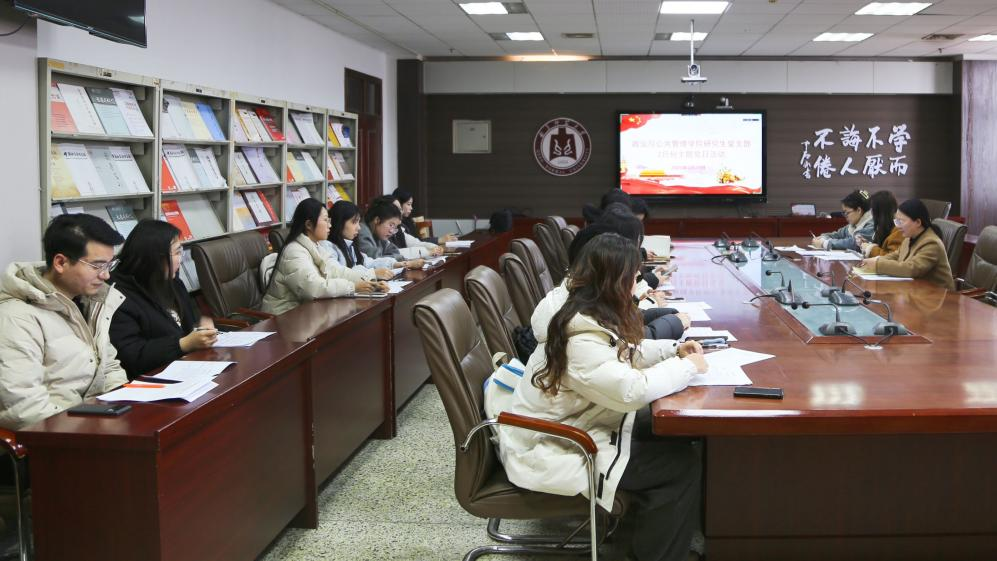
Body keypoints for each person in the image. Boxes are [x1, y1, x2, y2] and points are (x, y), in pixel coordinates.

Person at [496, 233, 706, 561]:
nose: (637, 284)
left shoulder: (582, 311)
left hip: (575, 424)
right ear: (614, 283)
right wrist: (688, 367)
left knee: (675, 432)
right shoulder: (579, 338)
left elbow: (621, 354)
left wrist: (672, 350)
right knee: (679, 465)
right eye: (633, 277)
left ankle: (666, 537)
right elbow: (630, 391)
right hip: (554, 446)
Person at [0, 214, 127, 430]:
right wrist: (90, 427)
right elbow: (24, 409)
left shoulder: (88, 302)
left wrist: (127, 404)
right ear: (60, 262)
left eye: (109, 265)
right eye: (97, 266)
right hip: (58, 436)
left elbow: (109, 367)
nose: (106, 275)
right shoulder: (16, 318)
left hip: (94, 422)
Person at [109, 220, 218, 380]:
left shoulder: (172, 282)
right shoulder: (119, 296)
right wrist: (183, 344)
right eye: (177, 252)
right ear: (153, 257)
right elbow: (132, 356)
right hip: (151, 380)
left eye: (181, 251)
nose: (181, 259)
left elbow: (186, 325)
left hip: (188, 368)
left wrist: (201, 327)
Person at [570, 219, 689, 341]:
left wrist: (669, 317)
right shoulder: (589, 325)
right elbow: (634, 342)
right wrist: (670, 320)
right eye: (634, 275)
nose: (638, 274)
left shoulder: (589, 300)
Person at [262, 199, 387, 315]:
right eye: (326, 220)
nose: (330, 225)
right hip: (284, 317)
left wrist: (369, 280)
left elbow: (337, 271)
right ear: (309, 224)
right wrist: (352, 287)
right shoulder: (294, 252)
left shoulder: (317, 246)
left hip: (306, 312)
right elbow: (313, 288)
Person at [859, 198, 955, 289]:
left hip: (939, 296)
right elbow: (895, 255)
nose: (898, 226)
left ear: (918, 222)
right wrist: (874, 260)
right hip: (917, 291)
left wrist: (877, 265)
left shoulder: (932, 243)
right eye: (896, 221)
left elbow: (912, 269)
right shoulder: (909, 238)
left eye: (901, 221)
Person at [324, 200, 395, 280]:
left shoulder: (349, 245)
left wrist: (395, 264)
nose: (359, 228)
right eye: (354, 222)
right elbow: (339, 273)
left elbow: (368, 262)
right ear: (339, 222)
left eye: (358, 222)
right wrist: (372, 273)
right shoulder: (327, 248)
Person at [356, 198, 425, 269]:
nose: (392, 231)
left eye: (395, 227)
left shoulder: (378, 233)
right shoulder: (362, 231)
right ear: (377, 220)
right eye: (391, 225)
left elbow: (394, 251)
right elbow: (376, 260)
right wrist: (401, 260)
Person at [391, 188, 457, 248]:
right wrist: (440, 240)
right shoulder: (397, 225)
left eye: (411, 204)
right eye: (408, 204)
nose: (411, 208)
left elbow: (417, 242)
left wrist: (438, 244)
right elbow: (415, 244)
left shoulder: (408, 221)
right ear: (398, 204)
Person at [857, 190, 903, 258]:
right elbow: (882, 248)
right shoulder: (884, 226)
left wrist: (869, 248)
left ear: (878, 211)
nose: (871, 213)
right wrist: (867, 244)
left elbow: (891, 257)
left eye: (872, 210)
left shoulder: (898, 230)